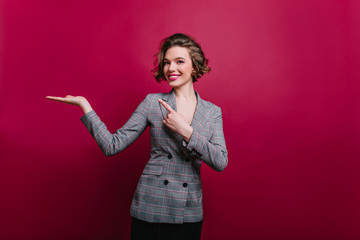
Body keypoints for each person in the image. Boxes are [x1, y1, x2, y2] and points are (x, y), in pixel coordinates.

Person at [46, 33, 228, 240]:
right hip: (152, 205)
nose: (171, 68)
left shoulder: (212, 112)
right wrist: (84, 106)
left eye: (179, 61)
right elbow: (112, 146)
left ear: (194, 66)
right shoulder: (152, 103)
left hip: (188, 210)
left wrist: (185, 130)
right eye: (167, 62)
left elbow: (220, 161)